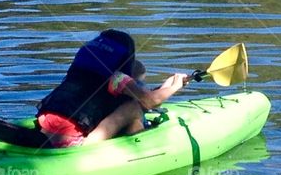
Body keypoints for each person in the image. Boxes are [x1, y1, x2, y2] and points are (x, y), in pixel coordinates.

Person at [36, 30, 188, 147]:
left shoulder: (80, 69)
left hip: (43, 132)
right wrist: (175, 86)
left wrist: (163, 88)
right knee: (133, 108)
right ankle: (139, 144)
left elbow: (145, 95)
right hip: (77, 143)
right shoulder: (117, 78)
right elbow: (150, 102)